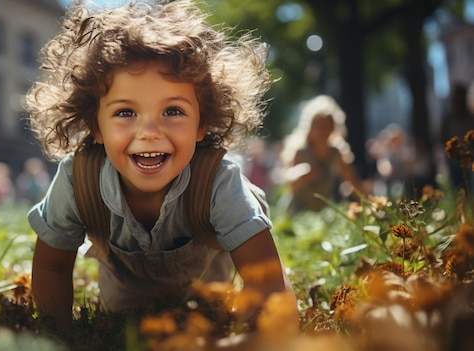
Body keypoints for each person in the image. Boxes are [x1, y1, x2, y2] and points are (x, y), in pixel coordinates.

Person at [25, 0, 296, 328]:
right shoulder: (77, 180)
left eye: (172, 111)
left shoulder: (219, 183)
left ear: (202, 124)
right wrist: (56, 334)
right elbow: (52, 266)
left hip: (207, 294)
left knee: (210, 308)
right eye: (126, 112)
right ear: (95, 125)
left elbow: (269, 287)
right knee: (127, 318)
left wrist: (256, 338)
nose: (150, 132)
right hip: (125, 298)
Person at [278, 95, 365, 213]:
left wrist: (369, 204)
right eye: (319, 126)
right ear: (310, 127)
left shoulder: (335, 152)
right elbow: (289, 185)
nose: (323, 131)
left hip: (323, 214)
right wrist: (302, 173)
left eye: (328, 126)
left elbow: (353, 182)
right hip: (298, 213)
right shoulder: (301, 151)